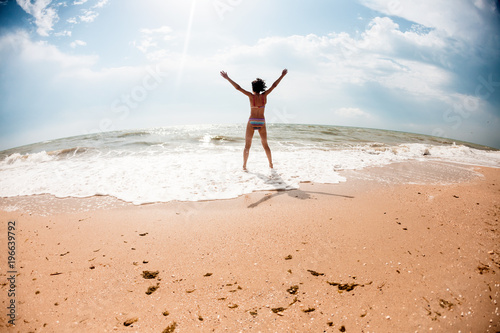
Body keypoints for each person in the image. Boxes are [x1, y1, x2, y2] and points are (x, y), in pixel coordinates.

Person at [220, 69, 288, 170]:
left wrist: (227, 78)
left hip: (252, 121)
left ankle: (244, 166)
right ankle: (271, 164)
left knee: (247, 146)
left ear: (253, 88)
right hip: (261, 122)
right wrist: (282, 75)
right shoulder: (264, 96)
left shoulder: (251, 96)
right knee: (265, 145)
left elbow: (238, 88)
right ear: (261, 88)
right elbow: (274, 85)